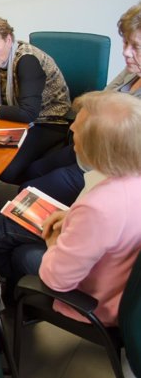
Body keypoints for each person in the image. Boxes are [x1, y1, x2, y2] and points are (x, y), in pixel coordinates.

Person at [0, 3, 141, 289]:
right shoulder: (132, 73)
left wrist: (59, 233)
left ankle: (5, 283)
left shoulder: (104, 201)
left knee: (22, 203)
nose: (126, 52)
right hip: (89, 152)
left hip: (100, 167)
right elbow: (101, 101)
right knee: (30, 176)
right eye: (125, 43)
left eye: (135, 46)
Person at [37, 91, 141, 326]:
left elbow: (57, 280)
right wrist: (74, 217)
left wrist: (53, 242)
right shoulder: (130, 176)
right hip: (125, 282)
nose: (72, 129)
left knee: (11, 242)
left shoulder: (99, 208)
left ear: (98, 148)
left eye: (77, 129)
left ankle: (16, 303)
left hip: (101, 302)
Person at [0, 16, 71, 185]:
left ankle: (42, 180)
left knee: (7, 171)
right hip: (12, 117)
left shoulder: (27, 60)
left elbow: (28, 113)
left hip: (49, 121)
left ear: (8, 40)